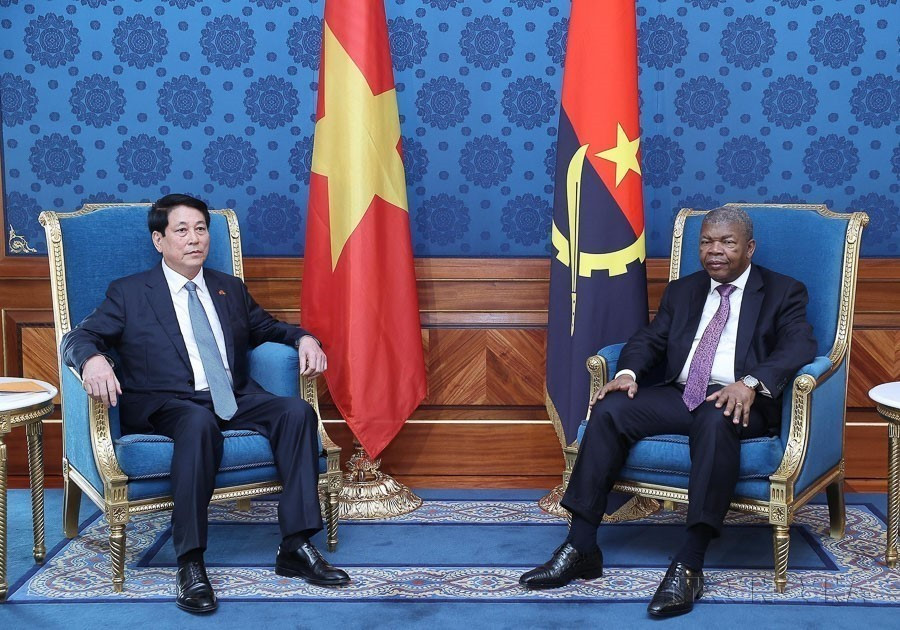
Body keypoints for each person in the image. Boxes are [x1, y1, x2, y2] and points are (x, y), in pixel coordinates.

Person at [520, 207, 817, 617]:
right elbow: (651, 338)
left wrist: (749, 383)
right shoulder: (684, 290)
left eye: (727, 243)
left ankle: (690, 563)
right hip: (683, 392)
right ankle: (581, 545)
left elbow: (799, 347)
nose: (715, 251)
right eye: (707, 242)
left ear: (749, 248)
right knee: (610, 409)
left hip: (739, 400)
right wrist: (626, 372)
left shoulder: (784, 291)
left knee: (716, 420)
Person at [61, 194, 350, 614]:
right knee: (197, 424)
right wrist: (91, 360)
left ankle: (296, 544)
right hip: (168, 401)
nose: (194, 239)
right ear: (159, 240)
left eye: (200, 229)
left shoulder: (227, 288)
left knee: (295, 412)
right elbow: (78, 338)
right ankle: (190, 562)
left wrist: (305, 338)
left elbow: (268, 327)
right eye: (181, 230)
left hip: (233, 395)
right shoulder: (129, 292)